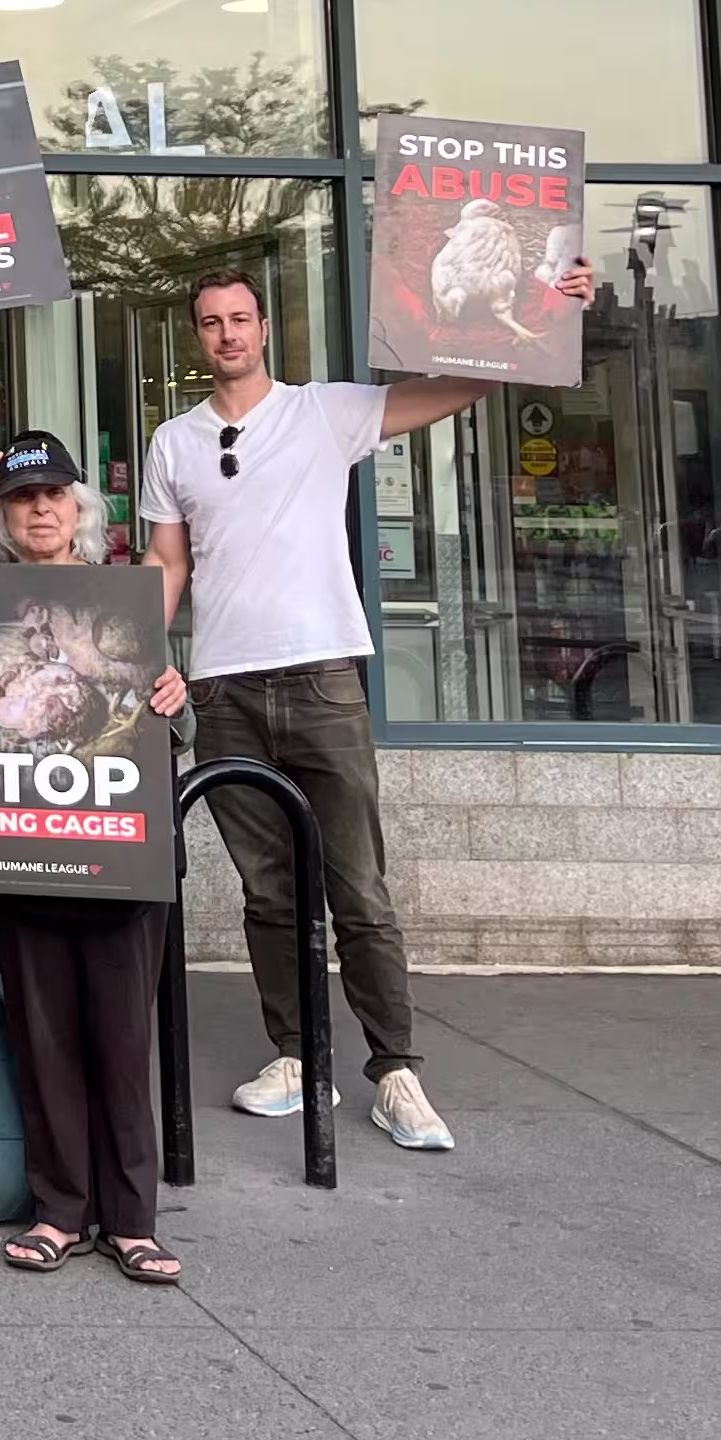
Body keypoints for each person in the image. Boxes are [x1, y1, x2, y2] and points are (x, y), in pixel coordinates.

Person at [141, 259, 588, 1156]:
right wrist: (137, 658)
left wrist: (546, 309)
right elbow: (168, 564)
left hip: (323, 679)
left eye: (239, 319)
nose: (227, 334)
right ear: (197, 336)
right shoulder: (174, 442)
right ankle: (296, 1054)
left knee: (358, 888)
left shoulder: (324, 412)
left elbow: (458, 386)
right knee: (269, 893)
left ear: (264, 327)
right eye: (211, 322)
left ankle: (395, 1071)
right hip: (223, 689)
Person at [0, 435, 189, 1284]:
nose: (40, 510)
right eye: (24, 498)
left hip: (117, 853)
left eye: (54, 495)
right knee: (44, 1036)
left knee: (122, 1036)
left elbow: (174, 726)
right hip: (18, 853)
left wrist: (178, 701)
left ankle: (131, 1221)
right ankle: (61, 1210)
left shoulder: (122, 603)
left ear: (79, 509)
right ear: (2, 517)